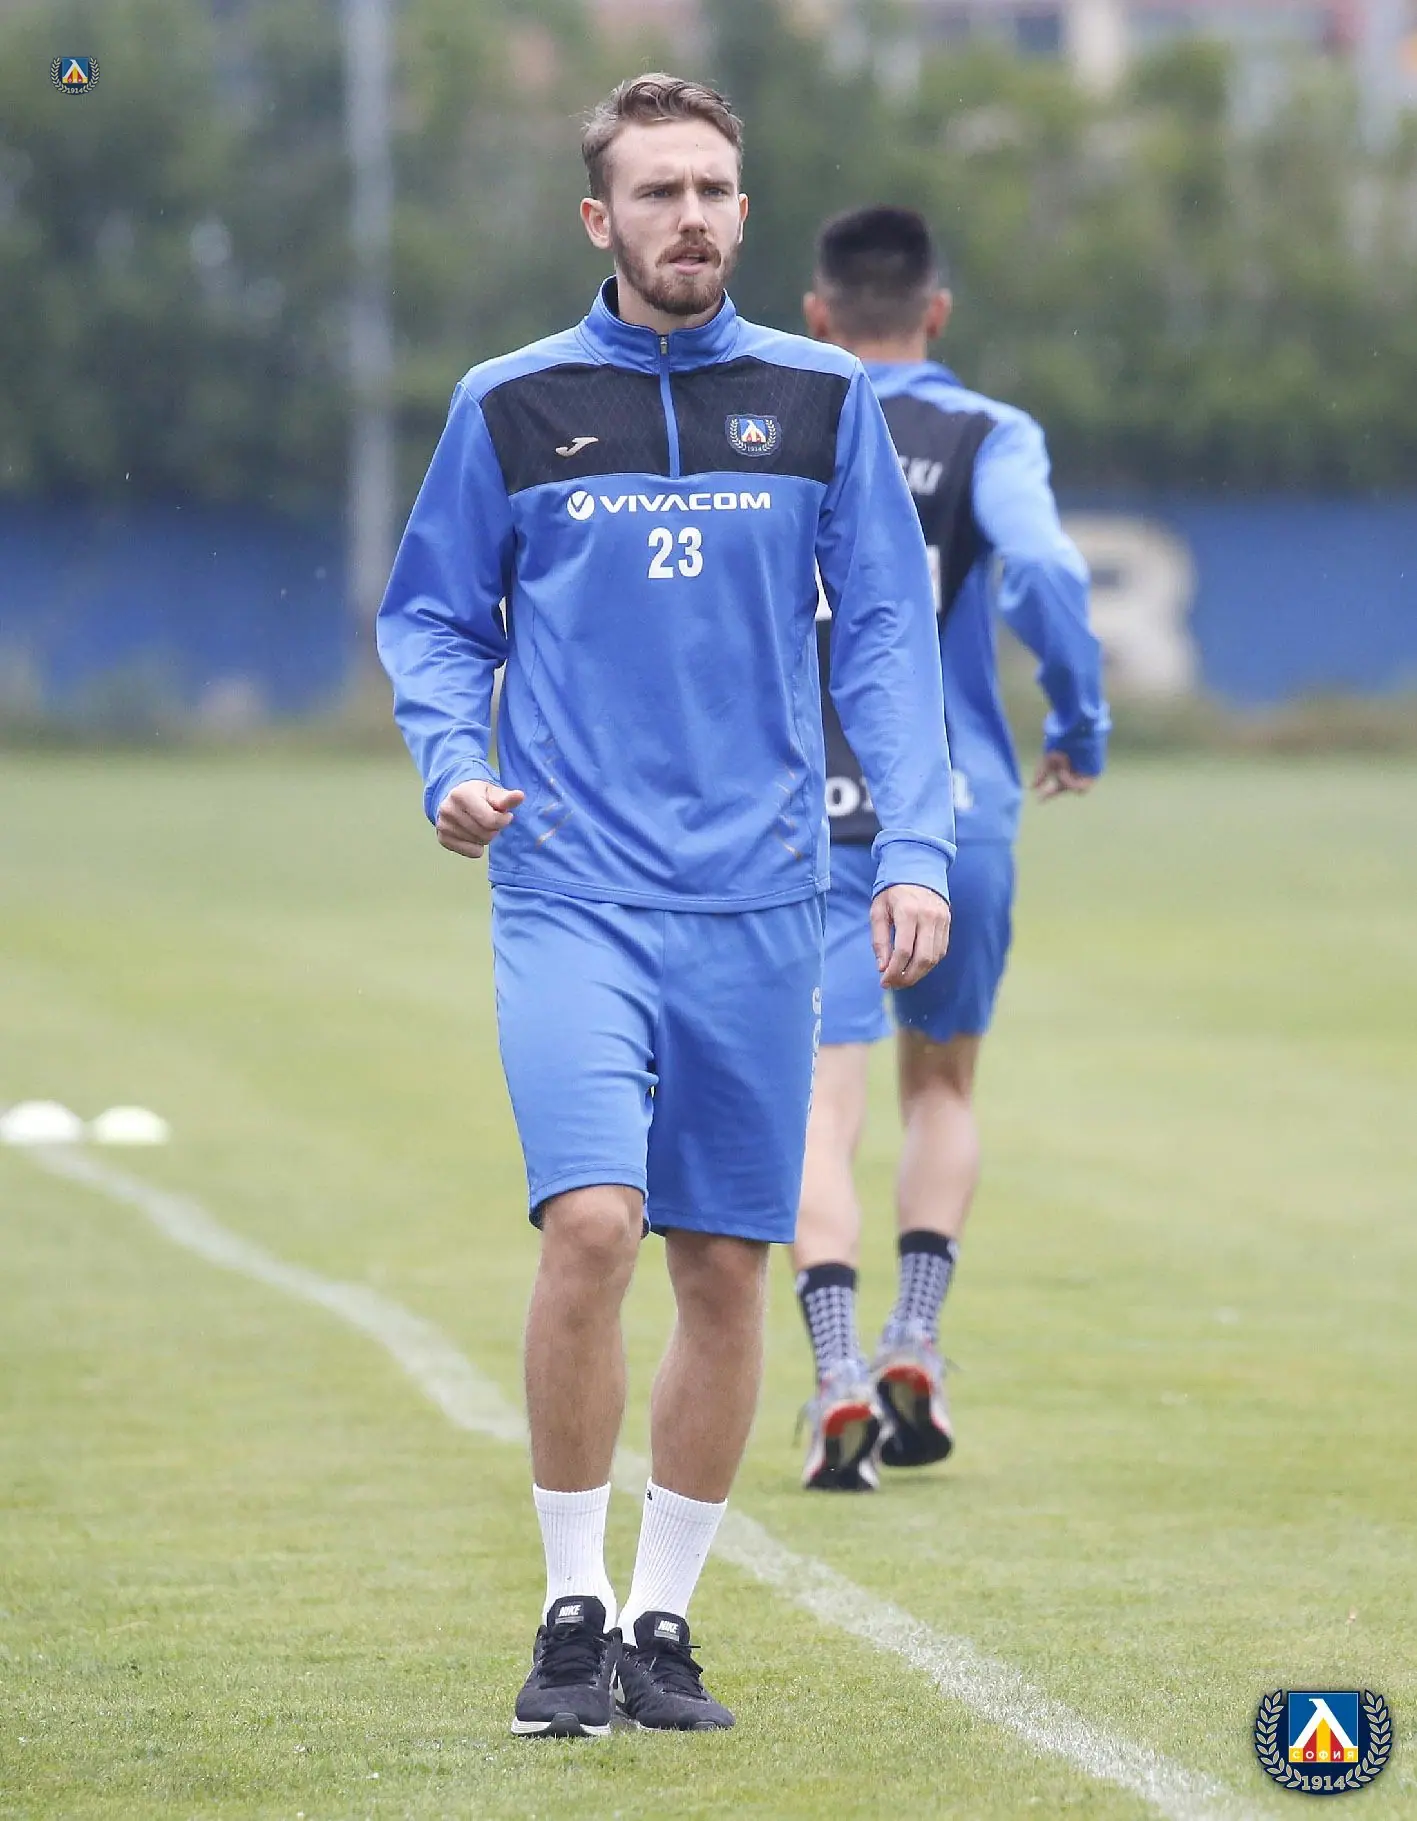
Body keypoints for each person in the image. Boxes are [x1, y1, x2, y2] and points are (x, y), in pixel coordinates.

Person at [377, 83, 955, 1735]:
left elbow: (885, 638)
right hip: (571, 889)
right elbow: (434, 619)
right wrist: (449, 765)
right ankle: (570, 1609)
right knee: (591, 1224)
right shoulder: (510, 404)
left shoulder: (822, 398)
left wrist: (910, 846)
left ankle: (661, 1623)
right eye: (656, 192)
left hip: (764, 901)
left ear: (742, 211)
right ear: (599, 218)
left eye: (711, 188)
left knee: (719, 1267)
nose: (688, 215)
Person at [793, 206, 1110, 1491]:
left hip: (802, 810)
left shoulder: (781, 420)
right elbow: (1045, 573)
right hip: (958, 804)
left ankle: (833, 1374)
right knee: (942, 1089)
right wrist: (1077, 722)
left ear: (817, 316)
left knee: (819, 1106)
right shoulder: (988, 433)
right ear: (936, 311)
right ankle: (912, 1339)